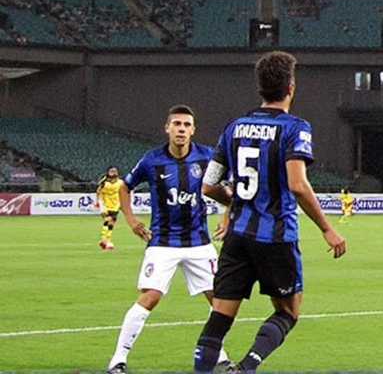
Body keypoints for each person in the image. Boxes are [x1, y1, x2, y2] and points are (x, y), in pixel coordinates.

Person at [191, 51, 347, 374]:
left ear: (260, 88)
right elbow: (298, 184)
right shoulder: (295, 128)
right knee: (288, 312)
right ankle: (246, 368)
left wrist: (232, 201)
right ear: (290, 88)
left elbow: (208, 185)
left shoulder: (233, 127)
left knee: (218, 319)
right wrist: (327, 228)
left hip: (237, 237)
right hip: (275, 236)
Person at [107, 105, 232, 374]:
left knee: (221, 301)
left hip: (200, 242)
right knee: (150, 297)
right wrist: (131, 220)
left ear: (193, 130)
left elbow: (231, 189)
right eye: (177, 124)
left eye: (187, 125)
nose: (181, 129)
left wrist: (227, 216)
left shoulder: (207, 158)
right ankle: (117, 360)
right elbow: (124, 187)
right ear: (167, 128)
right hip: (162, 242)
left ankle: (218, 354)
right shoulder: (152, 160)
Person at [97, 165, 125, 250]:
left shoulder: (120, 183)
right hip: (106, 206)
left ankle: (105, 240)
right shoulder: (104, 183)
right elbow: (99, 194)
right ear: (108, 172)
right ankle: (105, 240)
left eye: (115, 171)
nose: (114, 173)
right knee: (107, 221)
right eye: (112, 171)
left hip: (115, 206)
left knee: (111, 224)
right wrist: (101, 206)